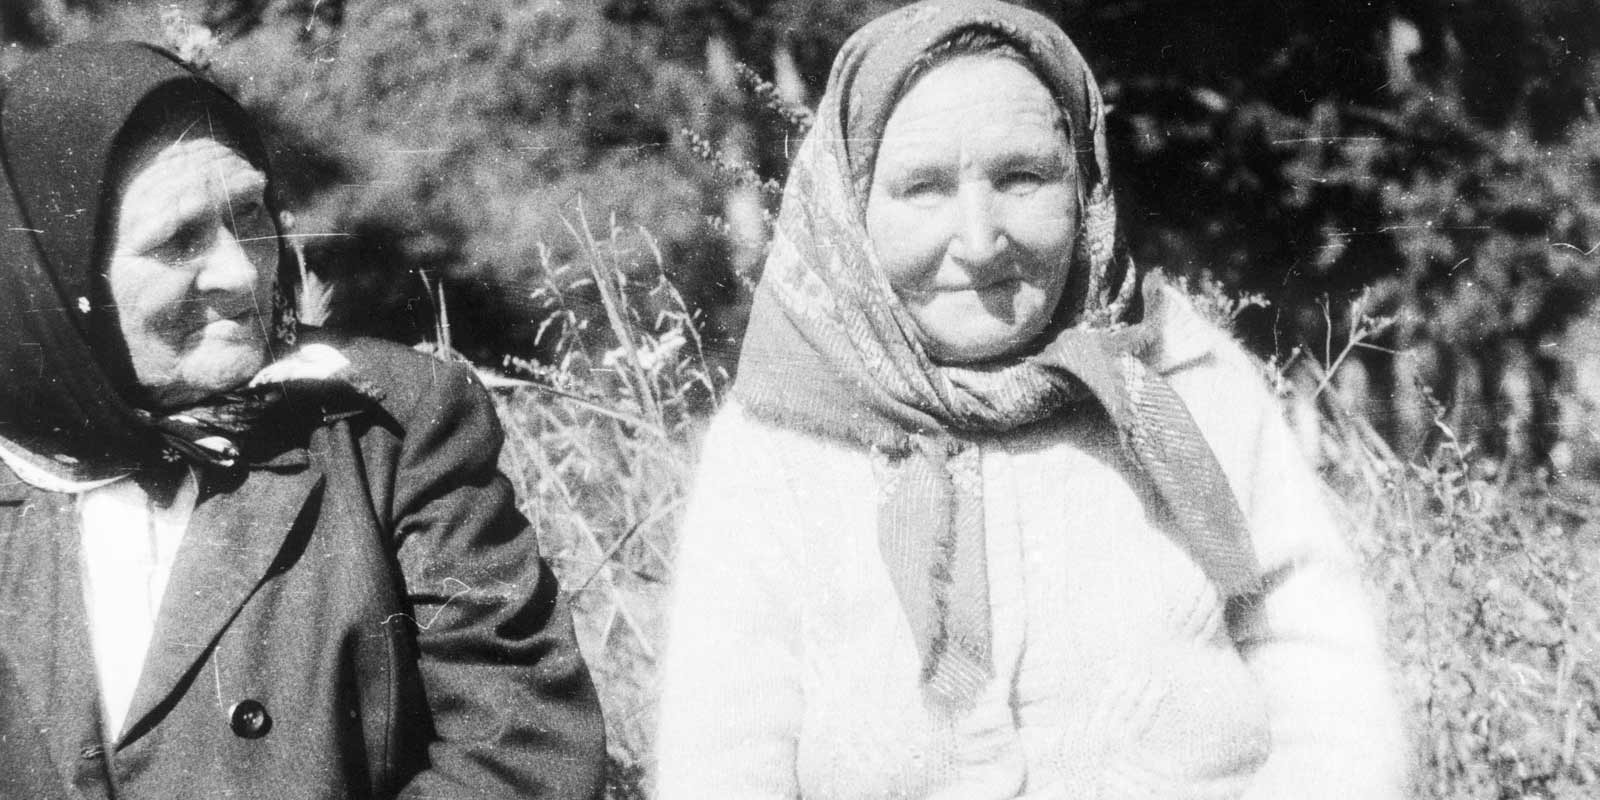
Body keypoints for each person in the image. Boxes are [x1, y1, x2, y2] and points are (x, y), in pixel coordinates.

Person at [654, 2, 1406, 798]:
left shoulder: (1186, 384)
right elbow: (722, 758)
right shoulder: (777, 440)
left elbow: (1329, 688)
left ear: (1085, 186)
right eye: (922, 188)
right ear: (849, 208)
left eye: (1022, 177)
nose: (980, 241)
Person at [0, 41, 604, 799]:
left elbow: (523, 749)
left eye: (248, 213)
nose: (242, 271)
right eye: (178, 240)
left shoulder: (387, 427)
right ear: (56, 280)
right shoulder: (20, 470)